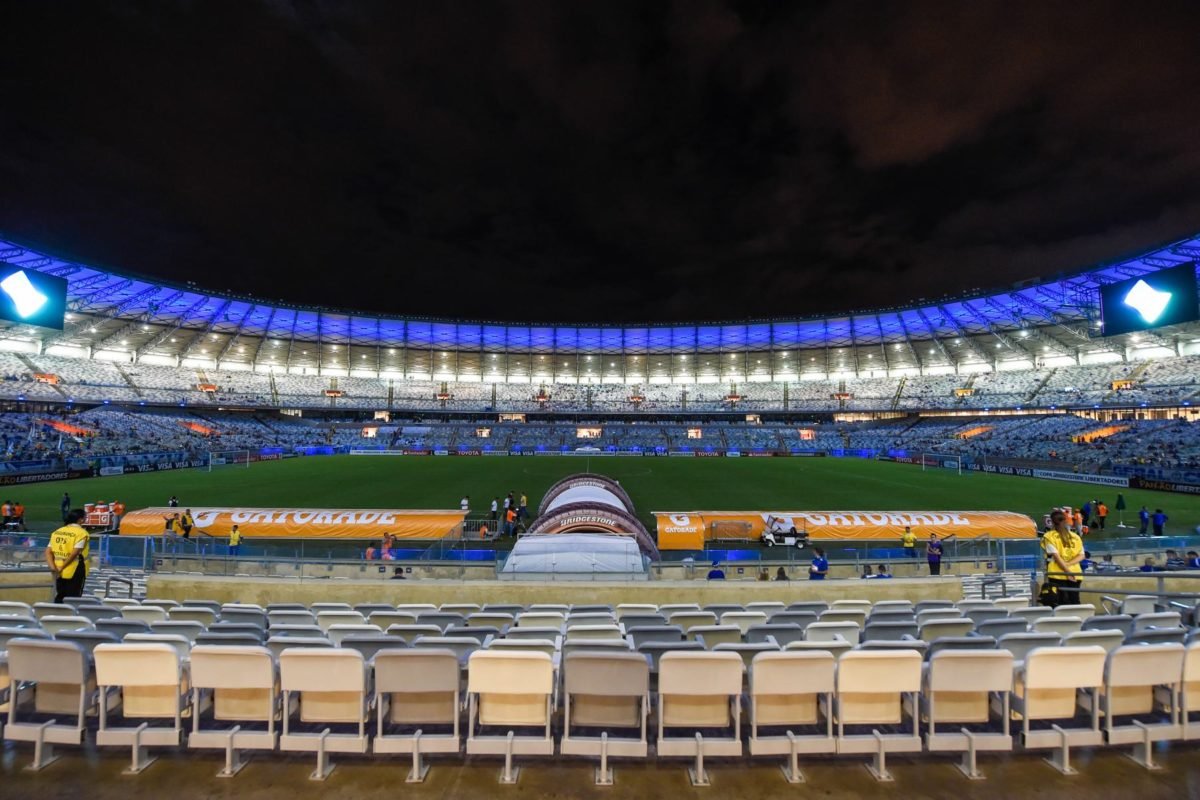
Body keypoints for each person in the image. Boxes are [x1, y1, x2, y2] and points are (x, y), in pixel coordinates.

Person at [1041, 509, 1084, 607]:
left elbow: (1057, 557)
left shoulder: (1049, 536)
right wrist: (1069, 566)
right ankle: (1077, 620)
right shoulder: (1075, 537)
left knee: (1060, 602)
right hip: (1076, 573)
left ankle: (1063, 621)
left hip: (1057, 573)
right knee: (1075, 600)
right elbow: (1082, 555)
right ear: (1066, 520)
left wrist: (1067, 571)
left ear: (1052, 522)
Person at [46, 509, 89, 603]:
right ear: (80, 520)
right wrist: (62, 567)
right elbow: (75, 553)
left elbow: (48, 552)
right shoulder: (81, 533)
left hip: (57, 569)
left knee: (60, 595)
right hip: (75, 569)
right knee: (73, 598)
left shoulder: (57, 532)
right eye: (85, 517)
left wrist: (53, 568)